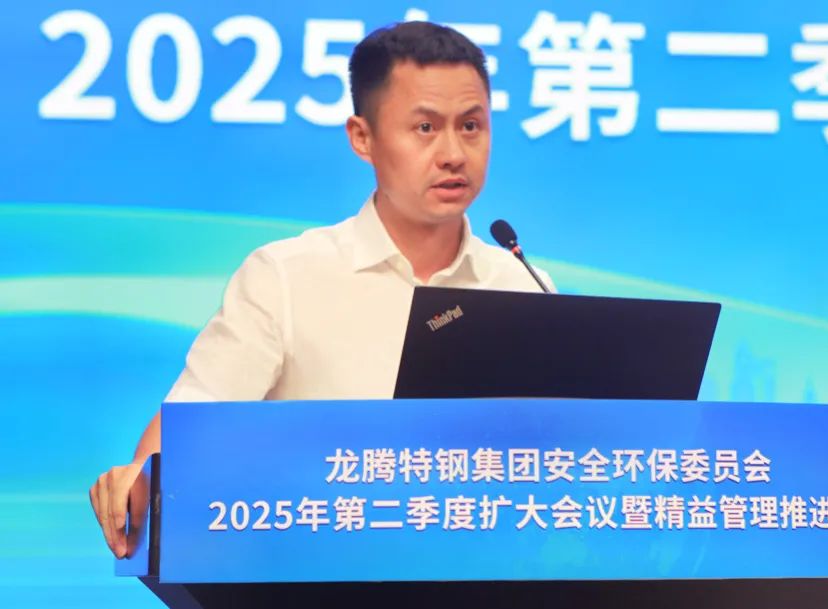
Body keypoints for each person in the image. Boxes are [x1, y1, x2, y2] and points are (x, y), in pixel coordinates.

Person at [88, 21, 553, 559]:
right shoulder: (286, 277)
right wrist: (139, 478)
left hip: (482, 569)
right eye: (425, 127)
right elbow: (190, 424)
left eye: (471, 126)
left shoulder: (522, 285)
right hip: (314, 569)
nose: (453, 153)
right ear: (362, 137)